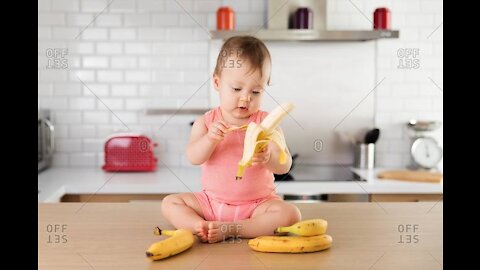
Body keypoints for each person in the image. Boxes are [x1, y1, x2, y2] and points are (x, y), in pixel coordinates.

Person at [161, 36, 301, 243]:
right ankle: (200, 226)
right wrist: (210, 139)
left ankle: (233, 229)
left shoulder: (267, 123)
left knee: (291, 215)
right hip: (211, 203)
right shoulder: (206, 122)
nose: (245, 98)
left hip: (257, 206)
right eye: (236, 89)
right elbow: (193, 157)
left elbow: (284, 165)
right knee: (170, 203)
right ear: (217, 82)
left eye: (256, 91)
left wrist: (269, 157)